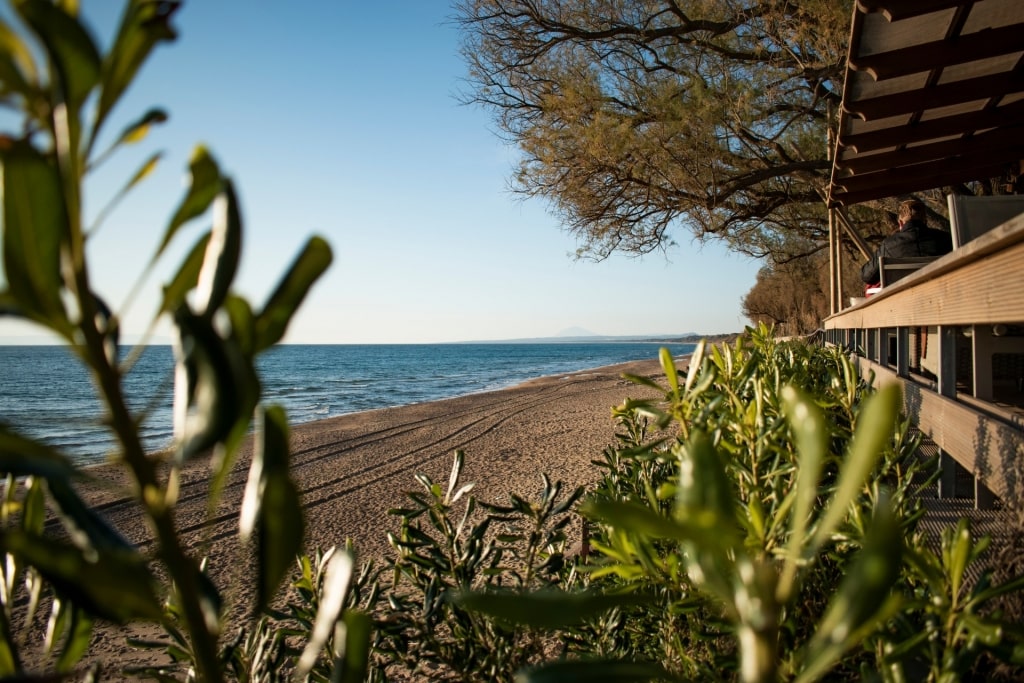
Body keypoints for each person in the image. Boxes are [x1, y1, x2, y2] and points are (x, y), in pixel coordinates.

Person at [860, 198, 953, 289]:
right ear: (925, 221)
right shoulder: (945, 239)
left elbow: (867, 276)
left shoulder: (888, 245)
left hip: (903, 300)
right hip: (940, 293)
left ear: (900, 223)